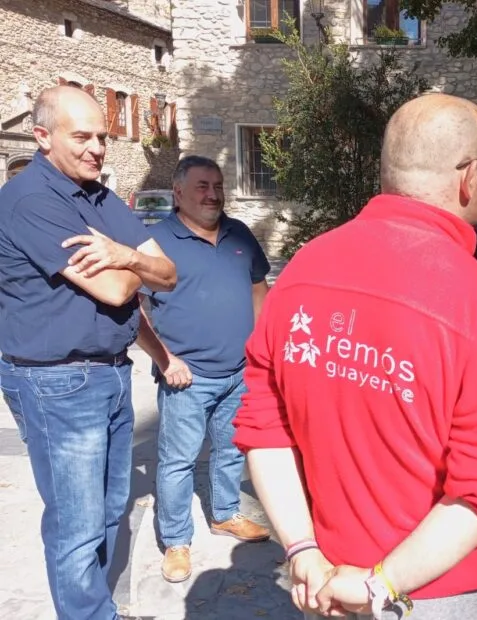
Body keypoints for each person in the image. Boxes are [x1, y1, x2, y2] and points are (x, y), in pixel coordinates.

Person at [232, 93, 477, 618]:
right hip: (435, 591)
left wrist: (301, 548)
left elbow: (265, 429)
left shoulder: (303, 268)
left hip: (324, 578)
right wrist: (379, 585)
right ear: (470, 178)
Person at [0, 85, 177, 620]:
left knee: (105, 512)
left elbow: (166, 273)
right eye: (81, 136)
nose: (97, 147)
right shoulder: (31, 200)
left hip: (112, 374)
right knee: (76, 526)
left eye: (102, 135)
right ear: (42, 137)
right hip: (57, 381)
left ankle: (93, 608)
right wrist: (135, 266)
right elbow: (118, 290)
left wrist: (124, 254)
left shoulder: (98, 196)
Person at [134, 155, 272, 584]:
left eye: (217, 185)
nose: (213, 194)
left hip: (238, 373)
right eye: (201, 186)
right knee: (178, 461)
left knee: (232, 450)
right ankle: (176, 541)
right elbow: (131, 309)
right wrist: (164, 360)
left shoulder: (239, 234)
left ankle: (226, 514)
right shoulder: (154, 243)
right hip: (186, 379)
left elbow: (257, 286)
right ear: (178, 192)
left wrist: (260, 348)